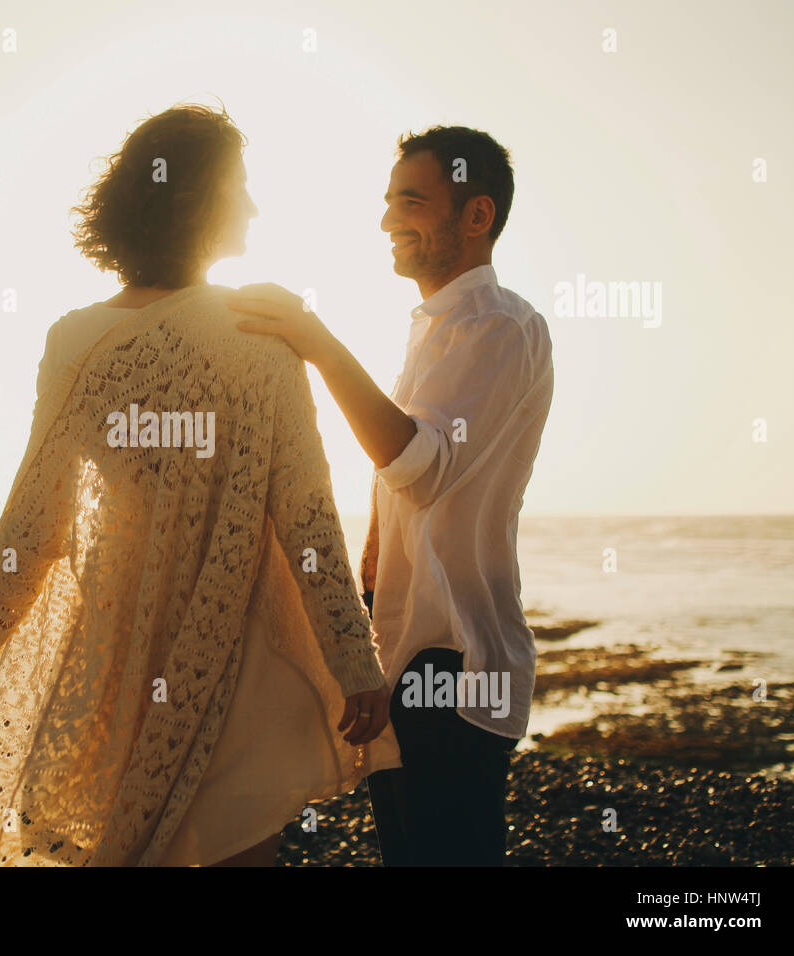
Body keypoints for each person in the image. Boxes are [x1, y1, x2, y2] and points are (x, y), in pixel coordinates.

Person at [0, 104, 398, 868]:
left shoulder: (74, 342)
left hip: (112, 662)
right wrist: (353, 658)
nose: (254, 206)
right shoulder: (259, 335)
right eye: (242, 187)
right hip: (234, 654)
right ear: (199, 200)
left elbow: (33, 522)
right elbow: (307, 517)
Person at [230, 125, 554, 866]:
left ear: (477, 216)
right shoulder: (436, 329)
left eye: (411, 201)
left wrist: (318, 343)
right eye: (387, 201)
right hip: (407, 650)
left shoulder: (501, 327)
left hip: (457, 661)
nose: (386, 221)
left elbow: (418, 464)